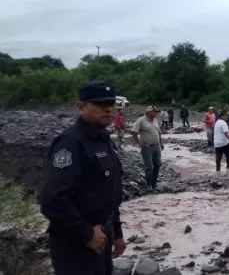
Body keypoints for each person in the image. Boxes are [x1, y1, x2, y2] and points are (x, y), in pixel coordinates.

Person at [40, 80, 126, 275]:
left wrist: (117, 233)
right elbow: (52, 199)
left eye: (111, 104)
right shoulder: (71, 143)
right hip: (76, 241)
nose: (108, 110)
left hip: (104, 233)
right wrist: (86, 235)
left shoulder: (105, 140)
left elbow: (110, 191)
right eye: (100, 104)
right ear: (81, 107)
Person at [131, 106, 164, 190]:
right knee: (149, 166)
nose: (156, 113)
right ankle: (149, 184)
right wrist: (139, 143)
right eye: (155, 112)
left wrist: (161, 143)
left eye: (157, 112)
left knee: (157, 165)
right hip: (147, 147)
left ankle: (154, 184)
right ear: (149, 112)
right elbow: (134, 132)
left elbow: (159, 133)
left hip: (156, 146)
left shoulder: (155, 120)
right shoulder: (141, 120)